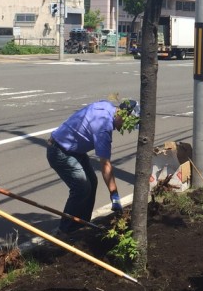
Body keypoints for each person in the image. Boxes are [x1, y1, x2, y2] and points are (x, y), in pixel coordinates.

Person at [47, 98, 139, 239]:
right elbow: (105, 164)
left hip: (74, 150)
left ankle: (81, 224)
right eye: (127, 123)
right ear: (122, 115)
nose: (127, 128)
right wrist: (114, 195)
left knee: (92, 182)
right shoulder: (103, 127)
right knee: (81, 187)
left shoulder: (107, 107)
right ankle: (64, 231)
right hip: (60, 151)